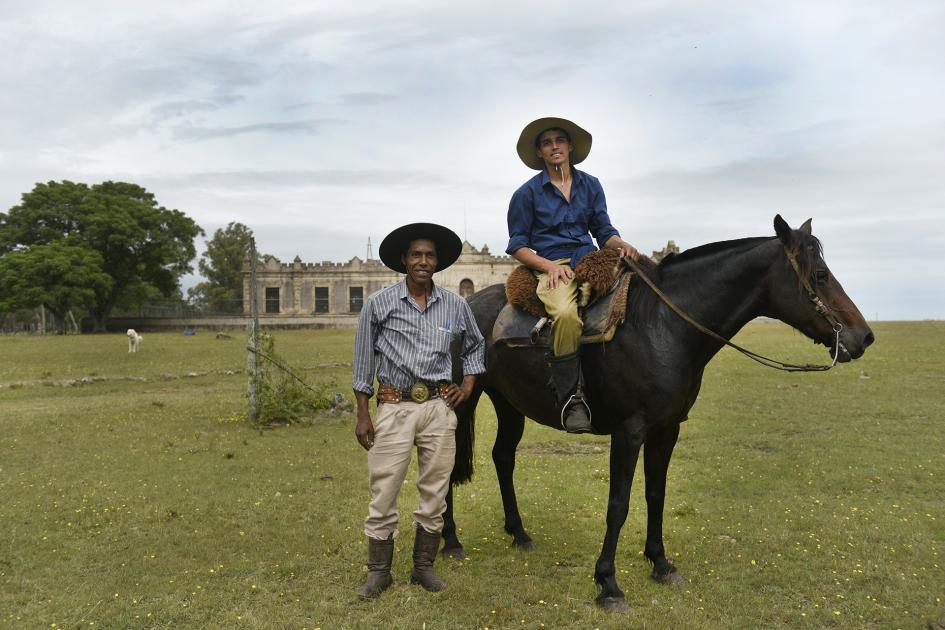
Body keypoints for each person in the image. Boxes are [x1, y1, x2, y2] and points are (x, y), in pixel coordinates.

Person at [352, 222, 486, 599]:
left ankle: (423, 566)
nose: (422, 261)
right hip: (395, 407)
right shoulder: (380, 304)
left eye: (429, 255)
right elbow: (363, 360)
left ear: (437, 261)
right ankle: (379, 572)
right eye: (416, 255)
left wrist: (468, 385)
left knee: (435, 491)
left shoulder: (455, 305)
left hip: (439, 409)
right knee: (384, 489)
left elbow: (476, 347)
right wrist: (364, 413)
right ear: (404, 260)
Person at [506, 117, 646, 434]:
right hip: (551, 265)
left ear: (570, 147)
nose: (554, 146)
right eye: (546, 142)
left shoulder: (591, 185)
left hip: (590, 258)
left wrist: (621, 244)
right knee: (567, 315)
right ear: (540, 152)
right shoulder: (526, 194)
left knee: (639, 293)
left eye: (559, 140)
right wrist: (550, 267)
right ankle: (572, 400)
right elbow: (517, 245)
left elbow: (603, 231)